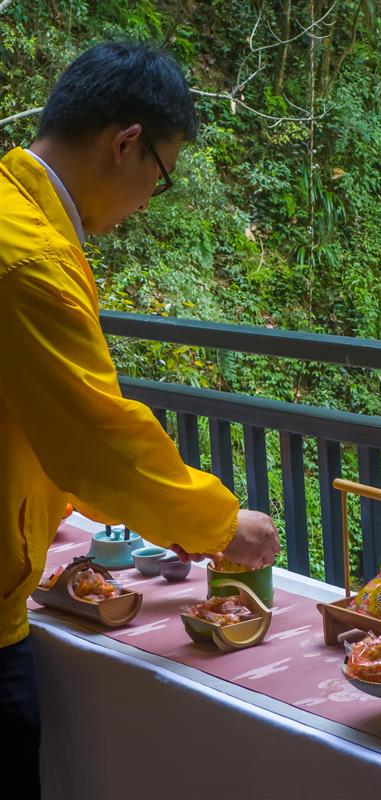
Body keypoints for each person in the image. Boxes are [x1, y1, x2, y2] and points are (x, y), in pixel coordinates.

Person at [0, 42, 280, 797]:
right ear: (126, 143)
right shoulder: (26, 259)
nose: (152, 198)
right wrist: (221, 525)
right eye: (162, 173)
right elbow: (96, 443)